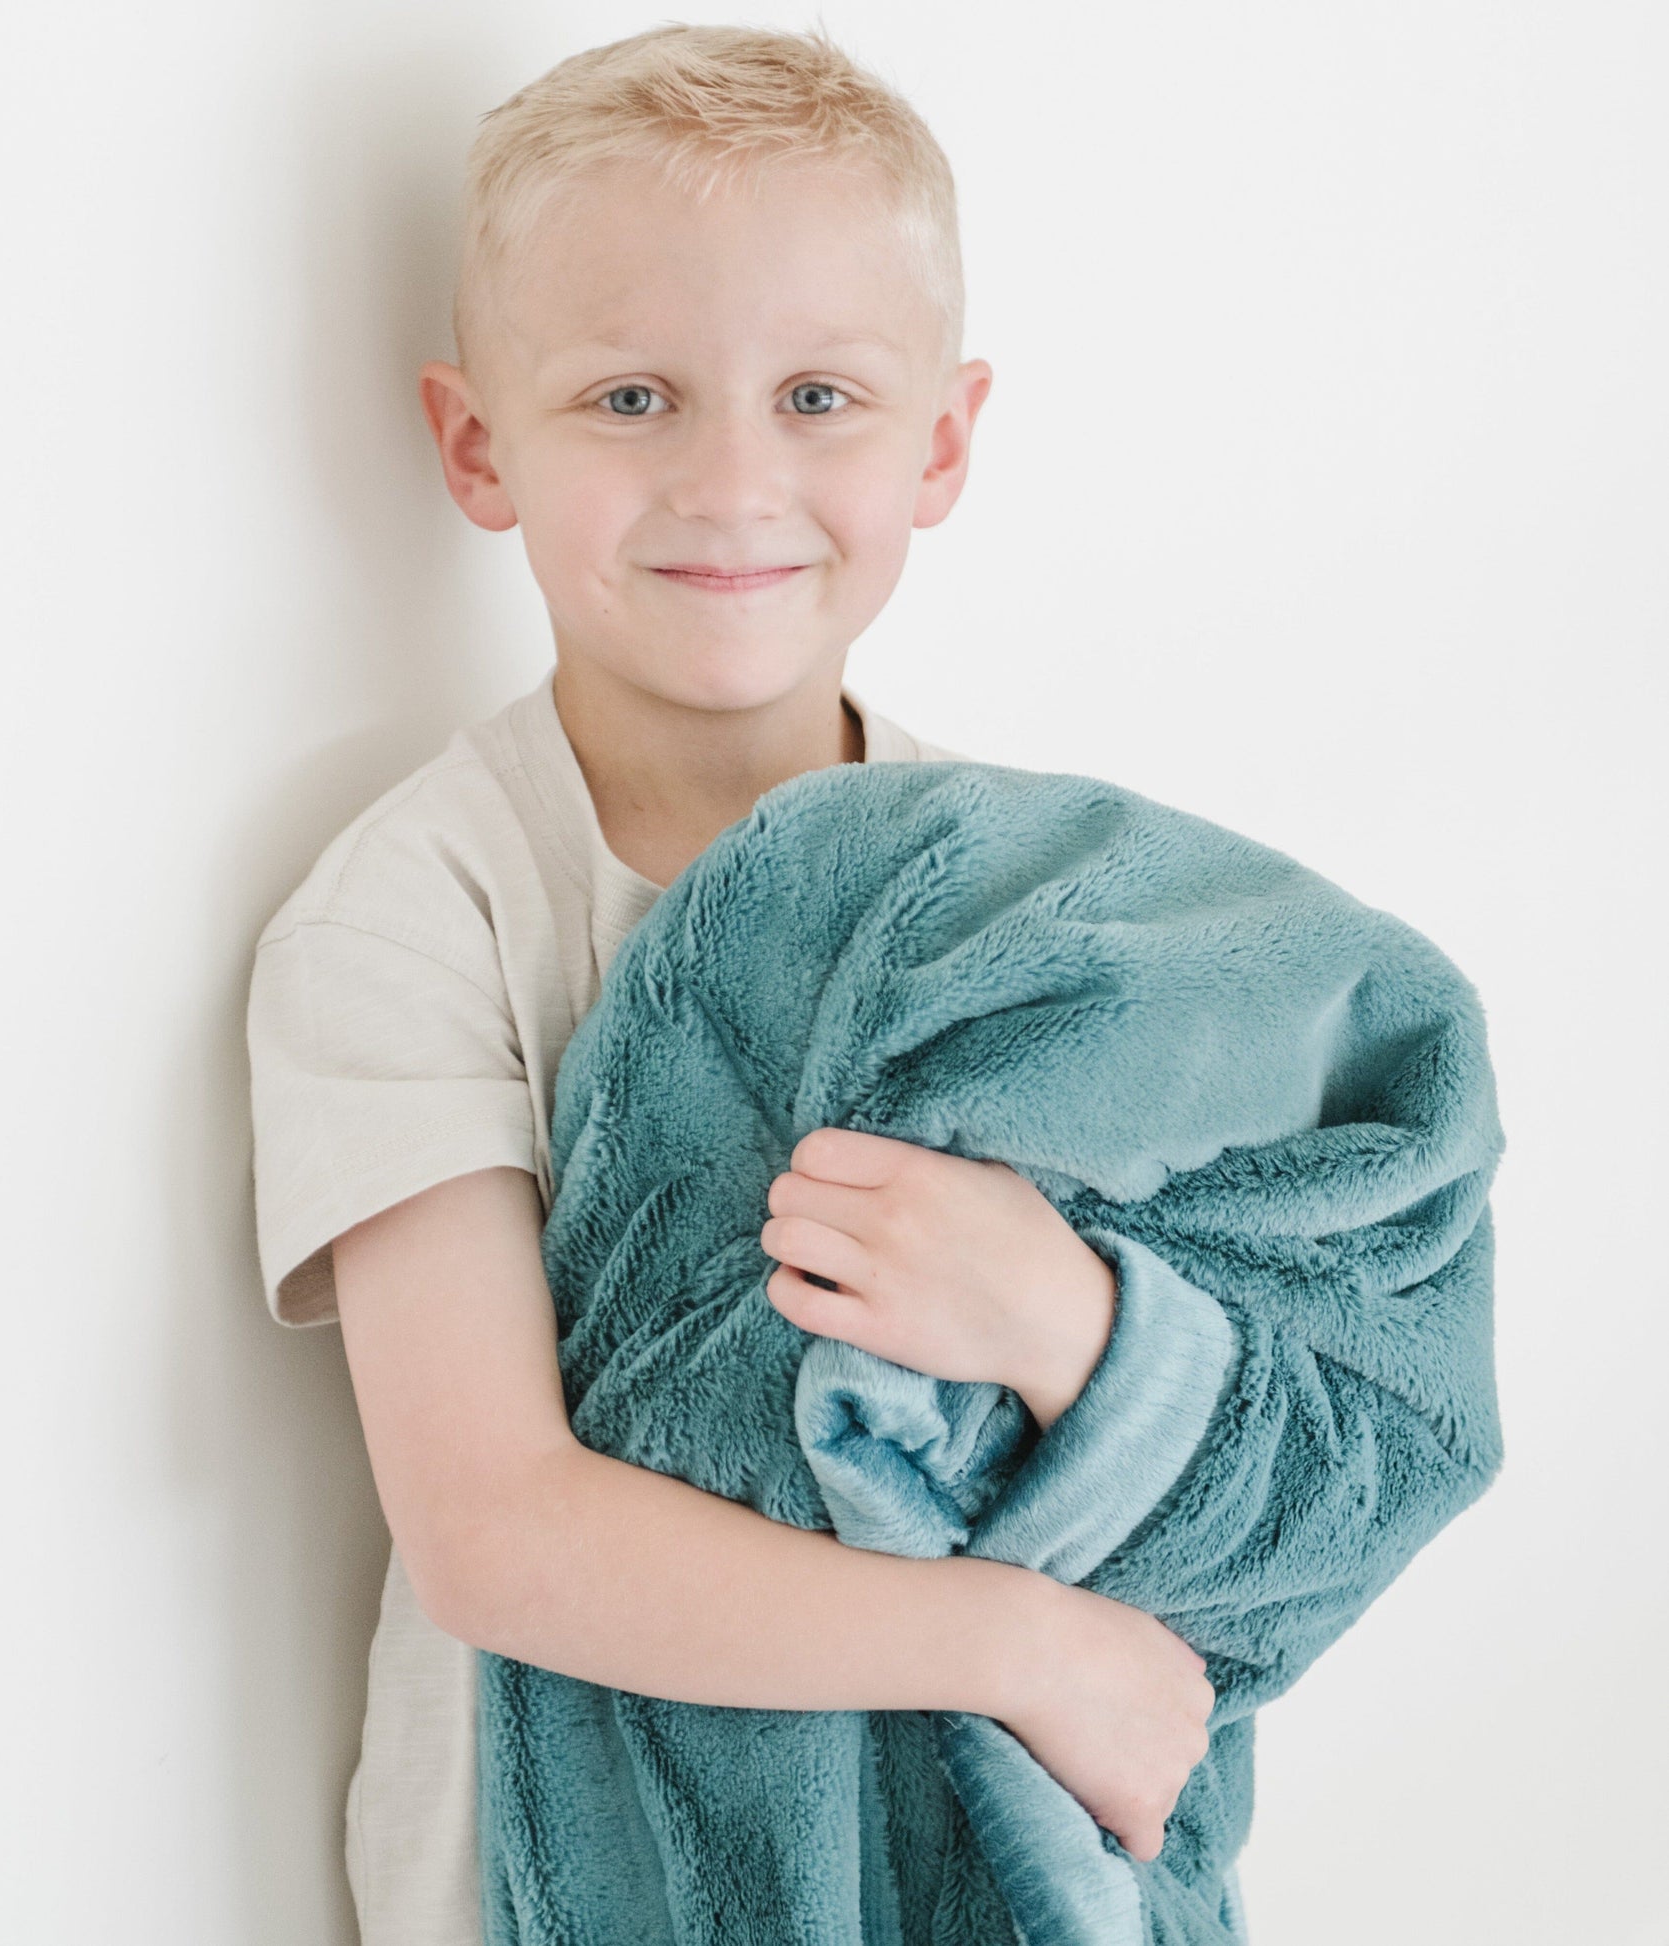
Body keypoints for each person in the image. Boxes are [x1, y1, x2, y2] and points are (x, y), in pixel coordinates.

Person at [246, 23, 1223, 1943]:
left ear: (938, 442)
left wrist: (1064, 1318)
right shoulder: (421, 915)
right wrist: (1026, 1646)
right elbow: (497, 1536)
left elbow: (1200, 1410)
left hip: (932, 1856)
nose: (728, 481)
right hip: (556, 1868)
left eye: (816, 395)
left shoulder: (1025, 900)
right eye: (628, 396)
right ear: (476, 446)